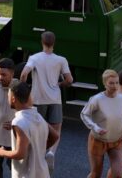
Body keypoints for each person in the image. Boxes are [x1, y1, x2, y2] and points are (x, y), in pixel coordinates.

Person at [19, 30, 73, 172]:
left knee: (38, 129)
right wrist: (59, 85)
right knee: (56, 128)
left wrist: (25, 87)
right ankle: (51, 153)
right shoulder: (61, 60)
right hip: (55, 98)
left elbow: (24, 74)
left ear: (42, 42)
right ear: (54, 43)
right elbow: (69, 80)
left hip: (37, 98)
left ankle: (37, 155)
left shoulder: (34, 58)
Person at [0, 80, 59, 178]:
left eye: (8, 96)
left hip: (26, 174)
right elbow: (55, 136)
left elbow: (20, 154)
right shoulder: (38, 116)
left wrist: (2, 152)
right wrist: (39, 149)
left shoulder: (18, 122)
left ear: (13, 98)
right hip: (42, 172)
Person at [81, 69, 122, 178]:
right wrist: (95, 127)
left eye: (117, 82)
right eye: (111, 83)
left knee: (118, 174)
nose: (115, 86)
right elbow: (84, 114)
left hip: (117, 141)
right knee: (96, 174)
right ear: (104, 84)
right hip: (98, 141)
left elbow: (121, 115)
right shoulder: (97, 99)